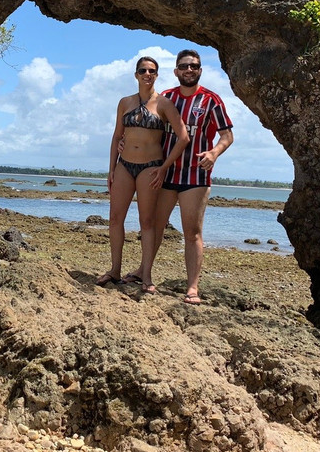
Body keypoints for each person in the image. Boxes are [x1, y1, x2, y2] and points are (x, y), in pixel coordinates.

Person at [97, 57, 189, 294]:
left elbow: (183, 137)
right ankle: (115, 269)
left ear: (157, 75)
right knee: (115, 219)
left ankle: (146, 276)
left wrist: (165, 167)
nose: (148, 74)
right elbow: (117, 136)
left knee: (147, 222)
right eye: (143, 70)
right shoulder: (124, 102)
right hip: (124, 167)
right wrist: (111, 168)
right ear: (136, 74)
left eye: (152, 71)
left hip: (150, 167)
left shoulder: (165, 104)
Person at [153, 49, 234, 304]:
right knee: (154, 227)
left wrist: (215, 153)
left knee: (193, 233)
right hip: (165, 172)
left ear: (200, 70)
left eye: (194, 66)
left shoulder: (211, 99)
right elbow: (146, 127)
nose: (189, 70)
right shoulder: (165, 97)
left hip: (195, 175)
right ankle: (144, 274)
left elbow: (227, 135)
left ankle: (192, 288)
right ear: (176, 71)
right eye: (184, 66)